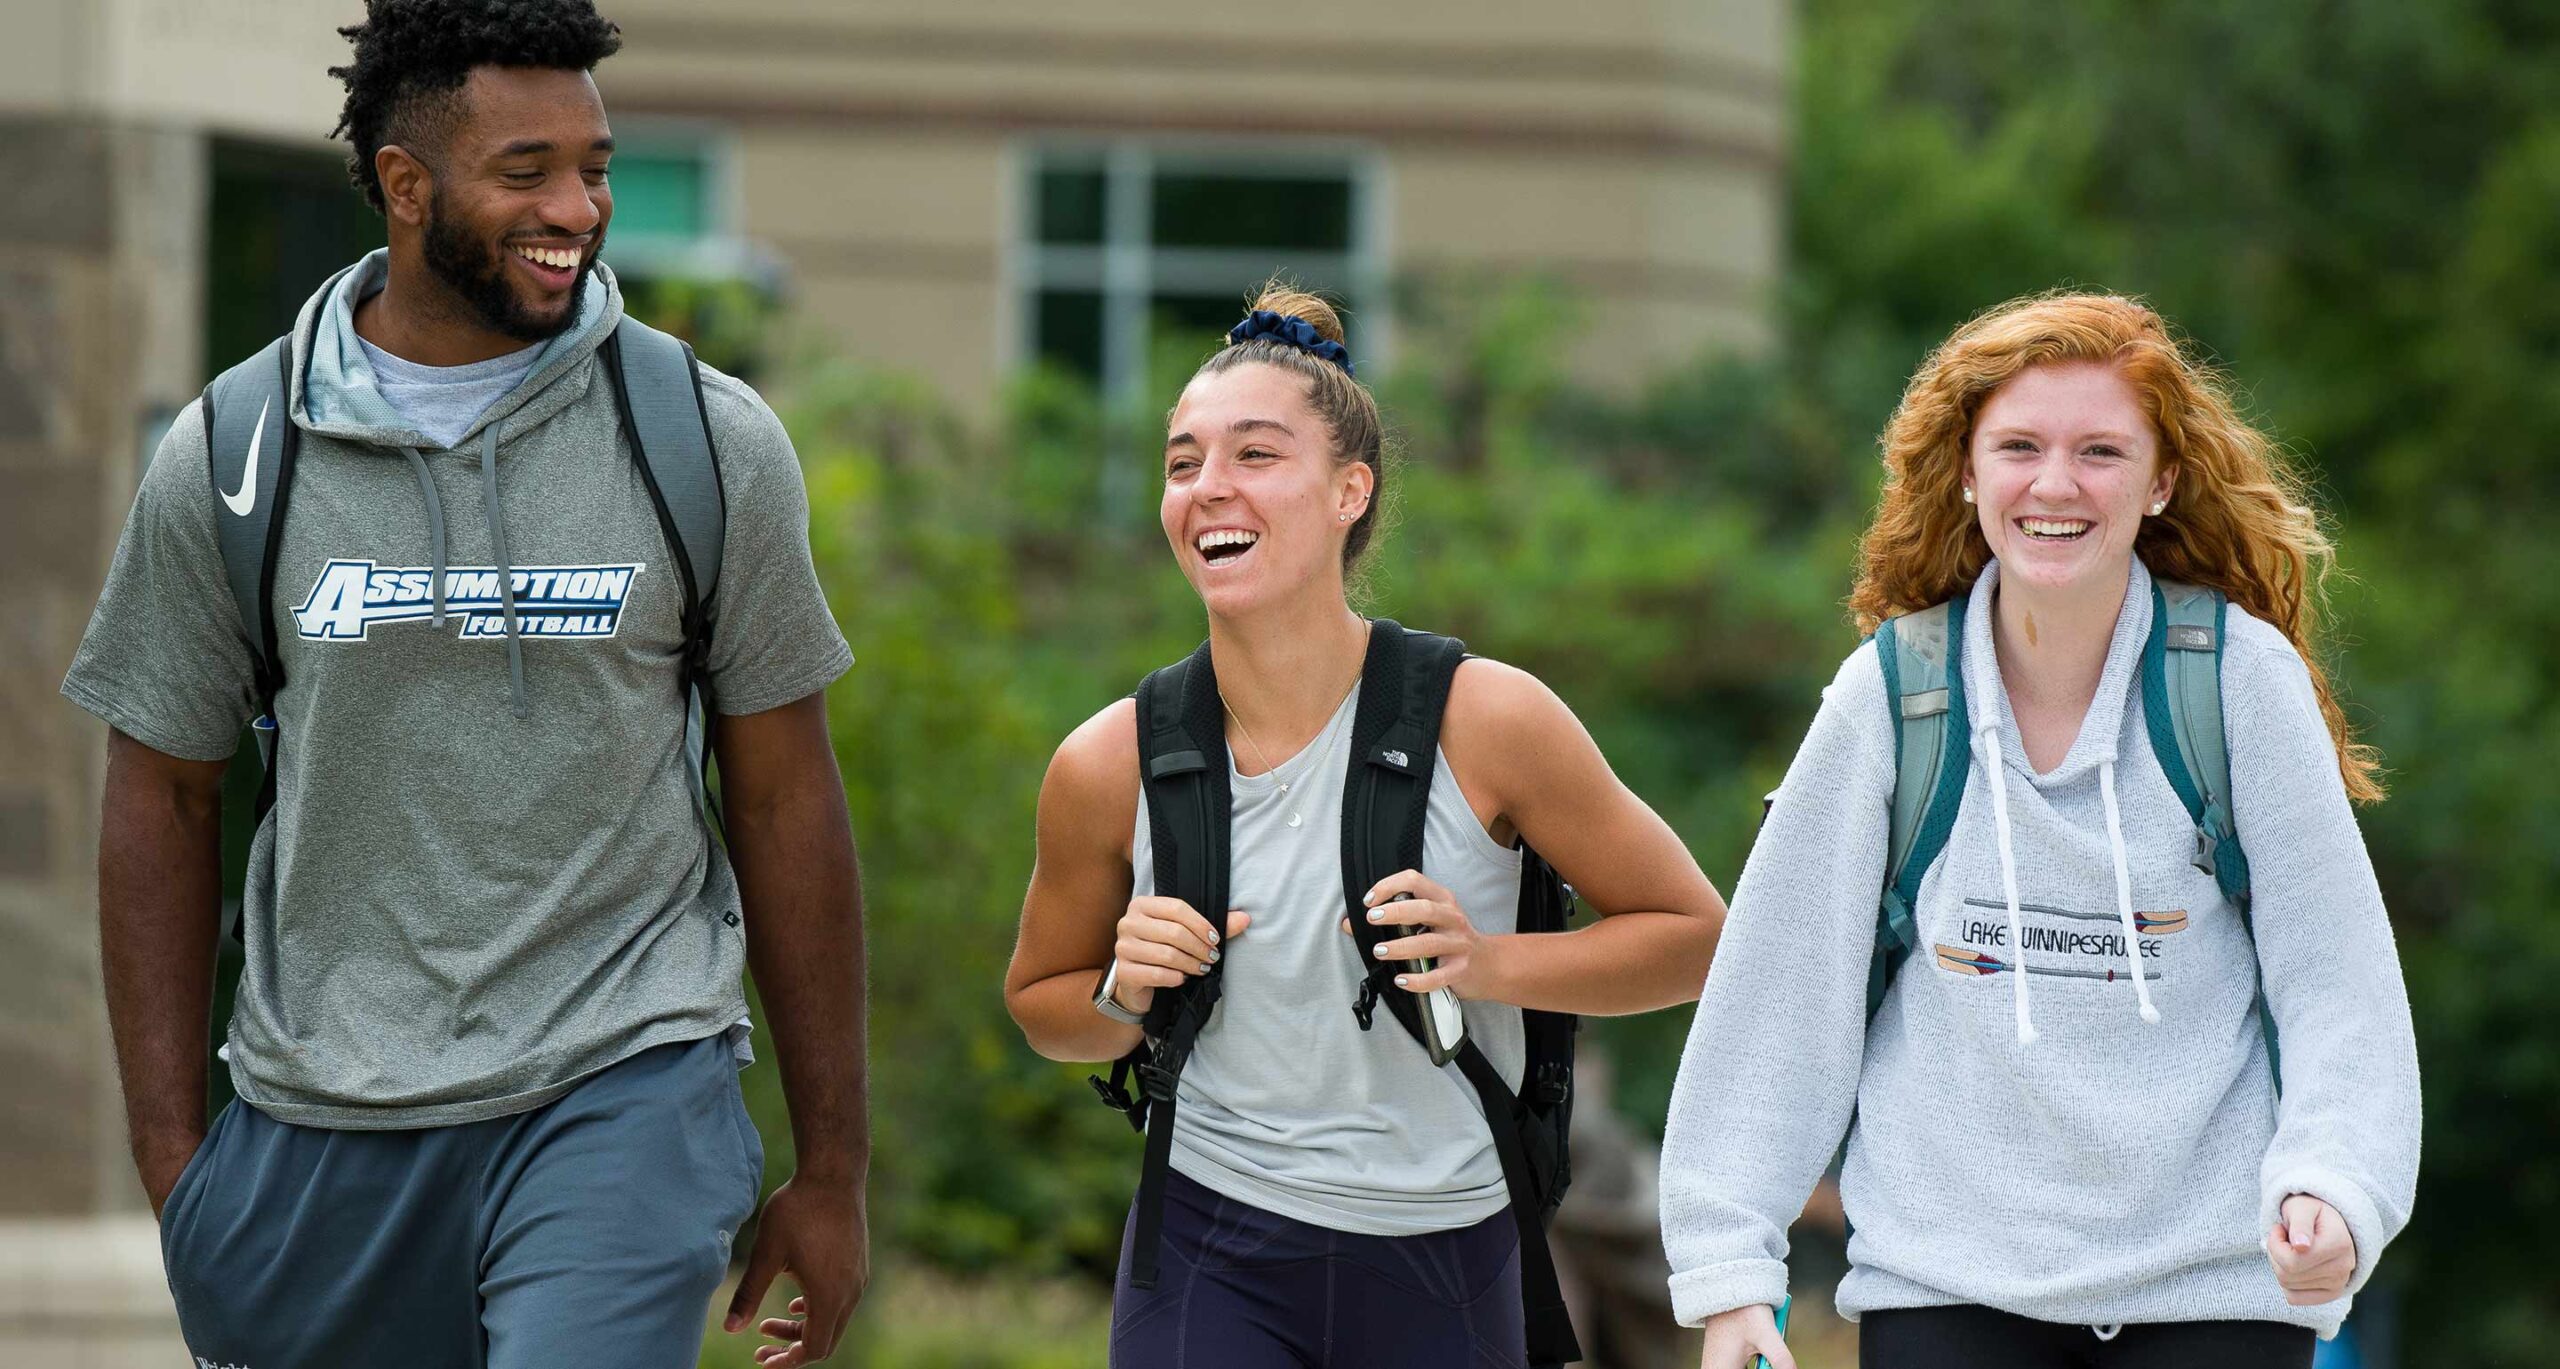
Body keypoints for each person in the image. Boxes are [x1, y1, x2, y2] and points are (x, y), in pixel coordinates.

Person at [61, 3, 867, 1365]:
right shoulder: (234, 456)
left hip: (622, 1080)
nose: (578, 207)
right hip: (319, 1121)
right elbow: (165, 796)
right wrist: (173, 1163)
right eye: (528, 170)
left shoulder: (702, 441)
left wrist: (836, 1165)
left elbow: (787, 798)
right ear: (404, 183)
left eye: (597, 167)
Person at [1658, 292, 2421, 1369]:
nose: (2055, 484)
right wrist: (1731, 1269)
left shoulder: (2240, 682)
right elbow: (1783, 990)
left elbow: (2338, 983)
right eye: (2018, 446)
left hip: (2215, 1287)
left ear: (2160, 481)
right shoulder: (1892, 696)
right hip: (1948, 1283)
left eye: (2100, 451)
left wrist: (2335, 1185)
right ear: (1966, 472)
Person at [1003, 285, 1727, 1367]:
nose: (1208, 488)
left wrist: (1484, 960)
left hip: (1447, 1251)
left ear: (1351, 489)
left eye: (1254, 455)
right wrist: (1120, 993)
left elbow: (1696, 937)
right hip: (1208, 1244)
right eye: (1181, 461)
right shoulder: (1108, 761)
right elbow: (1042, 1006)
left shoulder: (1490, 719)